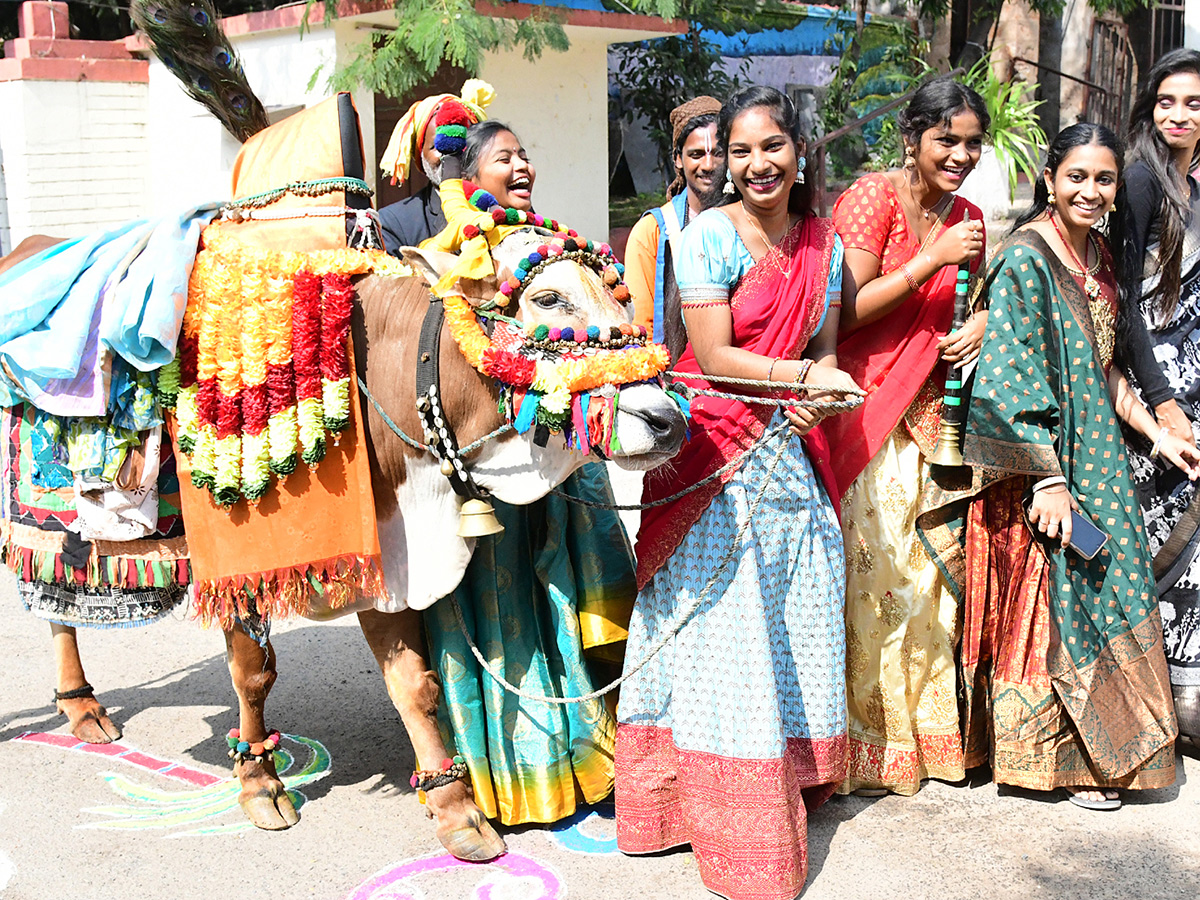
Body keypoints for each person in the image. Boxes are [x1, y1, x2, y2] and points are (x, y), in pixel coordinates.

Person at [615, 86, 858, 900]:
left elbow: (824, 347)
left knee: (808, 596)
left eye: (770, 147)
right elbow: (714, 356)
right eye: (740, 150)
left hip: (795, 442)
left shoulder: (824, 247)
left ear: (800, 153)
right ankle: (707, 805)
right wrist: (807, 379)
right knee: (729, 630)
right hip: (716, 450)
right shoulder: (708, 236)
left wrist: (818, 392)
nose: (755, 165)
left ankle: (790, 771)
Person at [923, 123, 1193, 810]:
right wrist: (1046, 478)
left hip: (1096, 452)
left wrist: (1154, 430)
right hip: (1042, 467)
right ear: (1050, 177)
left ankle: (1107, 748)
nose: (1092, 191)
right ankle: (1057, 761)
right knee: (1057, 603)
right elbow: (1010, 377)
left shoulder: (1097, 255)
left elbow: (1104, 368)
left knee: (1109, 589)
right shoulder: (1026, 259)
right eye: (1078, 176)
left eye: (1104, 179)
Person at [419, 118, 638, 827]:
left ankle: (589, 758)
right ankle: (515, 777)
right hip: (494, 464)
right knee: (504, 608)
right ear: (470, 174)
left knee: (560, 605)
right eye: (503, 157)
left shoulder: (555, 244)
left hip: (563, 454)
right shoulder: (452, 256)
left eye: (525, 153)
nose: (521, 165)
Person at [822, 76, 989, 796]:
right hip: (866, 411)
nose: (959, 154)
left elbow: (974, 306)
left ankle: (924, 740)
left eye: (971, 142)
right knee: (873, 580)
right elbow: (845, 312)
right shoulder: (873, 199)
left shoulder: (973, 215)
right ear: (912, 138)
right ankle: (862, 745)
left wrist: (984, 323)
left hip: (935, 423)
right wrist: (931, 257)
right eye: (945, 139)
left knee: (929, 588)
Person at [1119, 48, 1200, 741]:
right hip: (1152, 391)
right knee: (1154, 537)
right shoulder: (1141, 180)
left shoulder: (1189, 189)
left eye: (1194, 103)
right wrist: (1161, 399)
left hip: (1190, 384)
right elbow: (1122, 303)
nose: (1179, 114)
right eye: (1168, 101)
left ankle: (1182, 694)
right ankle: (1143, 697)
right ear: (1149, 106)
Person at [624, 96, 723, 361]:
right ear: (678, 159)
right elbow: (641, 328)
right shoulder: (653, 231)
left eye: (718, 153)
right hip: (675, 380)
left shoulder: (748, 219)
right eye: (696, 154)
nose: (708, 165)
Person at [376, 80, 494, 254]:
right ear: (420, 155)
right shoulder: (395, 222)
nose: (453, 155)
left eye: (465, 145)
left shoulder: (507, 204)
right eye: (439, 147)